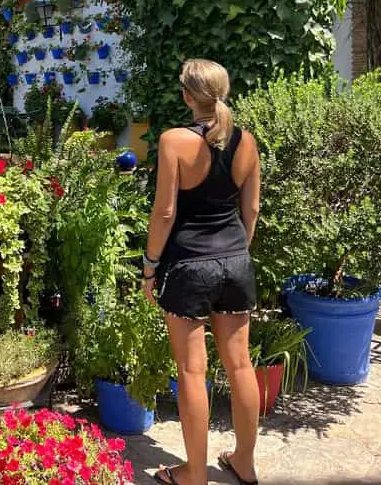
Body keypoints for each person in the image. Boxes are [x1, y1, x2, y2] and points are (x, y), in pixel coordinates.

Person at [143, 59, 261, 485]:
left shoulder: (173, 141)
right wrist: (234, 253)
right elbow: (251, 210)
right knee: (241, 366)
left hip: (188, 266)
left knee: (193, 372)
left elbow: (165, 213)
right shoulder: (247, 142)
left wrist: (150, 267)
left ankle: (193, 472)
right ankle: (244, 462)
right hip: (235, 261)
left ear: (187, 96)